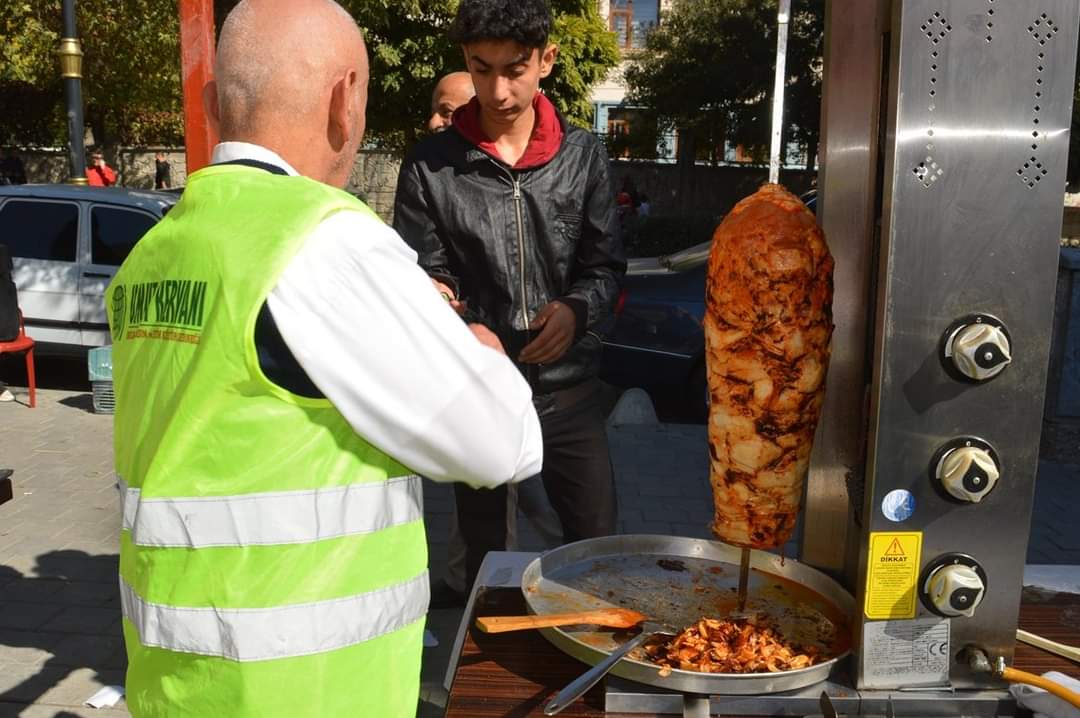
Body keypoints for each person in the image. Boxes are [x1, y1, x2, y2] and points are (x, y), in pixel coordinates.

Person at [106, 1, 542, 716]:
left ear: (214, 105)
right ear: (345, 101)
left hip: (176, 690)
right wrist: (481, 350)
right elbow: (502, 444)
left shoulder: (156, 252)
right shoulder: (326, 242)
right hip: (310, 691)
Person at [394, 0, 625, 590]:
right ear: (466, 61)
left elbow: (605, 268)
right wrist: (459, 321)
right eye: (482, 69)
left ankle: (582, 645)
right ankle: (485, 646)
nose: (498, 91)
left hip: (571, 392)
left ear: (546, 60)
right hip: (480, 389)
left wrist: (576, 310)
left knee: (596, 552)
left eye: (515, 69)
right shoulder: (430, 165)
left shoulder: (583, 156)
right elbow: (423, 274)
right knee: (487, 563)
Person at [422, 71, 563, 609]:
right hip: (466, 374)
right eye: (437, 109)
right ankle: (470, 584)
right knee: (478, 503)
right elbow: (429, 267)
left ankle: (522, 587)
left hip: (526, 374)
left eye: (448, 110)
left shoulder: (528, 172)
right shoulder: (431, 172)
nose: (437, 120)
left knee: (530, 501)